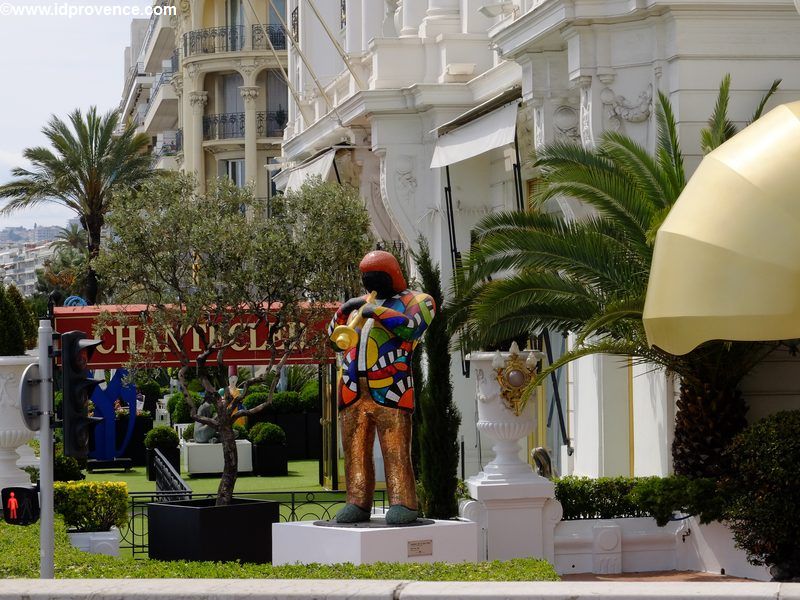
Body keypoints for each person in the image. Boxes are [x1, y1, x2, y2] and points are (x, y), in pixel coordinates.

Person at [328, 250, 435, 525]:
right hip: (352, 389)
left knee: (395, 448)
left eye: (376, 276)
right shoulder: (356, 306)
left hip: (391, 387)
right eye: (366, 277)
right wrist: (343, 310)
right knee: (354, 449)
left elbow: (411, 327)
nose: (370, 283)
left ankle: (403, 502)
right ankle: (357, 500)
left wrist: (375, 310)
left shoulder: (419, 300)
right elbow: (333, 339)